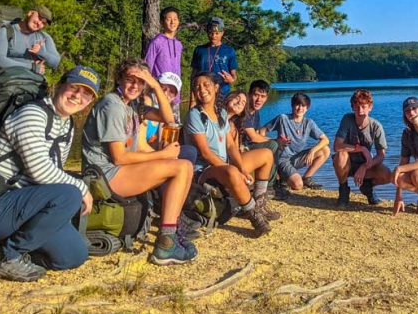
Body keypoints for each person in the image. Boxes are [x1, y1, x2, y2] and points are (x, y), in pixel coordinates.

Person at [0, 66, 100, 282]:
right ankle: (6, 256)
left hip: (23, 209)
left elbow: (55, 173)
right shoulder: (32, 113)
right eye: (74, 87)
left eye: (86, 93)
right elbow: (41, 172)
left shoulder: (67, 125)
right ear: (60, 85)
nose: (78, 96)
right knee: (70, 194)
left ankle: (0, 247)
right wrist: (82, 188)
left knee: (73, 255)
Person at [82, 58, 197, 266]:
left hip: (119, 171)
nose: (135, 86)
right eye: (130, 79)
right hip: (104, 177)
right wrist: (162, 155)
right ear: (119, 79)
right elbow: (119, 157)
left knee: (186, 165)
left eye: (140, 81)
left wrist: (154, 85)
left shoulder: (134, 106)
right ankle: (165, 244)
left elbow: (169, 117)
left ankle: (171, 233)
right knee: (181, 167)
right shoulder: (112, 105)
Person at [183, 72, 277, 237]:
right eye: (197, 86)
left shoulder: (221, 114)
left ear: (216, 87)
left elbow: (230, 146)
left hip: (223, 164)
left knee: (266, 154)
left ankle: (259, 205)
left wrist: (242, 168)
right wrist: (235, 170)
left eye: (206, 85)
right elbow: (205, 152)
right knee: (232, 172)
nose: (201, 90)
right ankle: (254, 217)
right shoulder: (195, 115)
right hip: (203, 170)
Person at [332, 89, 391, 208]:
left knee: (388, 175)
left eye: (364, 107)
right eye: (357, 107)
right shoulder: (347, 119)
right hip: (346, 163)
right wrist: (362, 148)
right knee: (341, 154)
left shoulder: (376, 126)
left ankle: (368, 188)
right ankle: (344, 190)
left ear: (370, 107)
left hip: (364, 164)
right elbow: (337, 146)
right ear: (352, 107)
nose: (360, 111)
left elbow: (381, 155)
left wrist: (365, 166)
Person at [262, 92, 330, 191]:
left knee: (325, 150)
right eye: (297, 104)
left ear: (307, 108)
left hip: (296, 158)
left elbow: (325, 140)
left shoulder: (308, 123)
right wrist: (274, 141)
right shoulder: (283, 118)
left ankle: (307, 178)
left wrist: (312, 151)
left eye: (303, 105)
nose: (300, 108)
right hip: (282, 159)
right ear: (292, 106)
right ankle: (280, 176)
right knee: (298, 185)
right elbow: (261, 132)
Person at [0, 6, 60, 75]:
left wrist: (41, 52)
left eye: (43, 23)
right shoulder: (6, 32)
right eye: (39, 18)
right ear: (30, 13)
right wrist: (31, 67)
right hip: (10, 81)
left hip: (35, 83)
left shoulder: (44, 37)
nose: (39, 23)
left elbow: (55, 62)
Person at [240, 80, 282, 197]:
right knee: (273, 145)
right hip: (242, 148)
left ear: (266, 97)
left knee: (275, 144)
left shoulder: (256, 112)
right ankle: (269, 186)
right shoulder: (244, 111)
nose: (259, 100)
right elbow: (253, 137)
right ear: (249, 95)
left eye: (262, 96)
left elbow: (259, 134)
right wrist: (274, 142)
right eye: (256, 95)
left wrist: (277, 141)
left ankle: (275, 182)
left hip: (249, 146)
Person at [144, 7, 183, 120]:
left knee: (172, 127)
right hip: (159, 94)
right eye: (169, 19)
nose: (172, 22)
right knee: (158, 127)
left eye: (175, 19)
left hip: (174, 95)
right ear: (162, 22)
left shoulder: (179, 44)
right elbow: (147, 67)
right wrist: (147, 90)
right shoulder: (156, 42)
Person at [189, 17, 237, 104]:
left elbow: (233, 74)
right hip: (203, 93)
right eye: (211, 33)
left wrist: (231, 80)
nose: (213, 36)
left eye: (216, 33)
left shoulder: (229, 51)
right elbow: (193, 76)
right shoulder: (199, 50)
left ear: (222, 33)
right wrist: (192, 99)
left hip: (222, 94)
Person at [143, 72, 183, 149]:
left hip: (151, 152)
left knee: (190, 151)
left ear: (175, 96)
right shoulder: (147, 101)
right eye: (162, 88)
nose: (165, 93)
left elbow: (160, 142)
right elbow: (140, 145)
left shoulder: (165, 110)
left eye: (171, 92)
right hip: (138, 152)